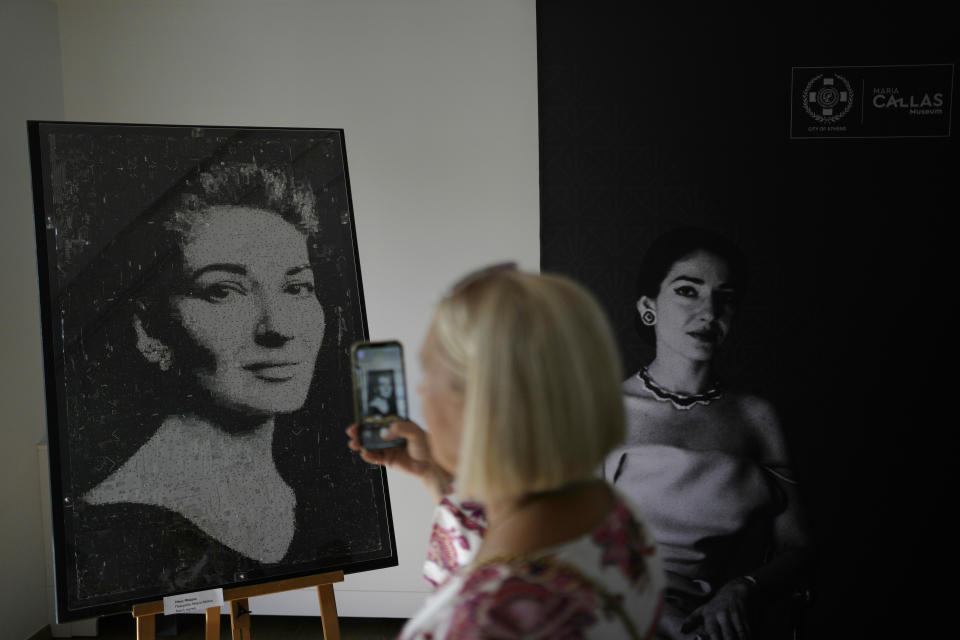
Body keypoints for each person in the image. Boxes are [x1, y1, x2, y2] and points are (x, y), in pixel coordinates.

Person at [70, 161, 361, 601]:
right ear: (149, 332)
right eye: (223, 290)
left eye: (297, 288)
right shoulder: (118, 528)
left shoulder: (315, 495)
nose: (277, 326)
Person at [348, 265, 665, 639]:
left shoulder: (488, 621)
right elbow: (491, 548)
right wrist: (435, 475)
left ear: (478, 405)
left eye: (427, 373)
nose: (419, 394)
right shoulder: (612, 511)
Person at [604, 228, 813, 640]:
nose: (709, 310)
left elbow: (800, 549)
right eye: (688, 291)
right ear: (649, 307)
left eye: (726, 297)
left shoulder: (757, 418)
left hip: (711, 623)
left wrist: (743, 589)